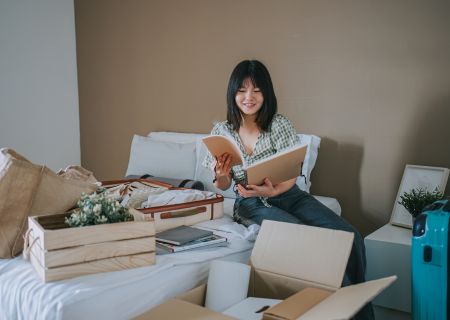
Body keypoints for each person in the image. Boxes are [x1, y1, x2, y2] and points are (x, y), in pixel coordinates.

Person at [203, 59, 374, 320]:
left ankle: (360, 312)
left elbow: (291, 173)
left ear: (266, 93)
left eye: (256, 90)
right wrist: (221, 176)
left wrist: (272, 191)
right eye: (242, 90)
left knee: (351, 236)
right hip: (250, 203)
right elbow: (223, 186)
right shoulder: (222, 131)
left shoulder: (279, 124)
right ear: (233, 92)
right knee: (305, 237)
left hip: (288, 195)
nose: (249, 97)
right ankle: (342, 311)